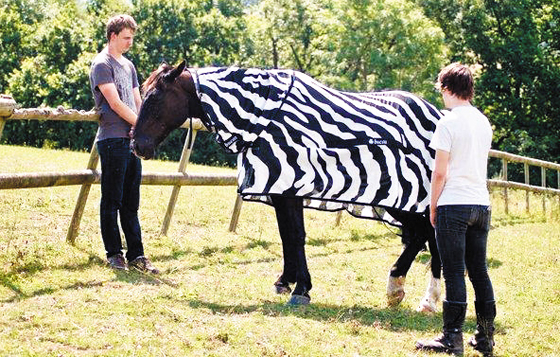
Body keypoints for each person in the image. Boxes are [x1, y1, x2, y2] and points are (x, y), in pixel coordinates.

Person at [415, 63, 495, 356]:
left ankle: (452, 338)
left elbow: (439, 172)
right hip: (481, 204)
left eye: (442, 91)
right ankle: (485, 338)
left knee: (453, 273)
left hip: (454, 204)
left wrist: (433, 205)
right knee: (479, 272)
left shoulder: (447, 122)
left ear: (448, 89)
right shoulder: (483, 122)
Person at [89, 14, 159, 274]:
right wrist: (140, 126)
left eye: (132, 38)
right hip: (112, 139)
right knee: (112, 199)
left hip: (130, 141)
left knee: (131, 202)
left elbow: (136, 100)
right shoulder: (101, 64)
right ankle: (114, 254)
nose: (130, 42)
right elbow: (115, 103)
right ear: (113, 36)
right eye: (126, 38)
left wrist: (143, 128)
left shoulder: (129, 66)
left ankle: (137, 255)